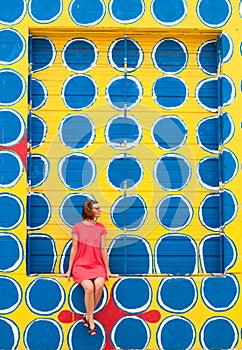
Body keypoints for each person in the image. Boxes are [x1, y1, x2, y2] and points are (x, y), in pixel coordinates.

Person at [64, 199, 117, 335]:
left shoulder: (101, 228)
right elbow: (74, 249)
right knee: (89, 287)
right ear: (89, 211)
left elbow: (103, 250)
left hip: (97, 265)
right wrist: (69, 270)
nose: (99, 210)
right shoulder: (77, 227)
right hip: (81, 266)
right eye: (96, 208)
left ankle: (87, 316)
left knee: (99, 284)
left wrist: (108, 270)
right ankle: (91, 322)